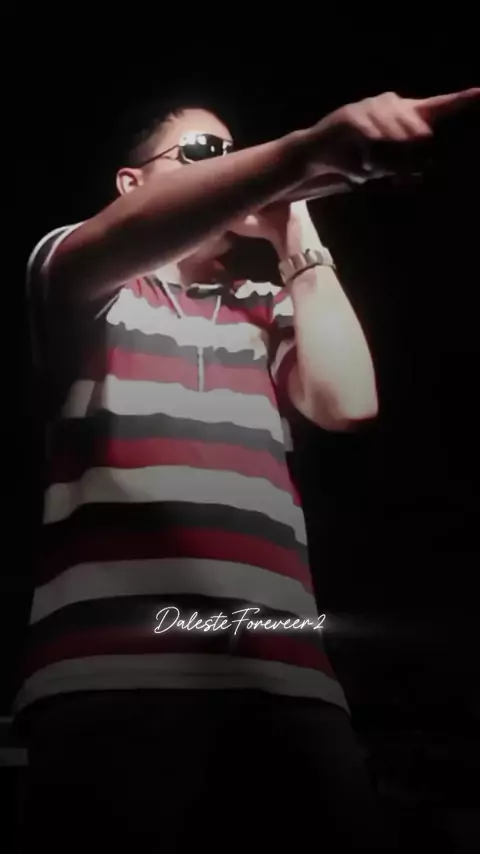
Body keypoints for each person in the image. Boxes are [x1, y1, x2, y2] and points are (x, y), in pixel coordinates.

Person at [15, 86, 479, 852]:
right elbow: (128, 235)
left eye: (235, 153)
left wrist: (294, 219)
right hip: (110, 679)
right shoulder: (88, 287)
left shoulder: (265, 305)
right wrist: (302, 151)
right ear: (132, 181)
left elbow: (348, 402)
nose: (231, 166)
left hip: (286, 679)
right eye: (204, 153)